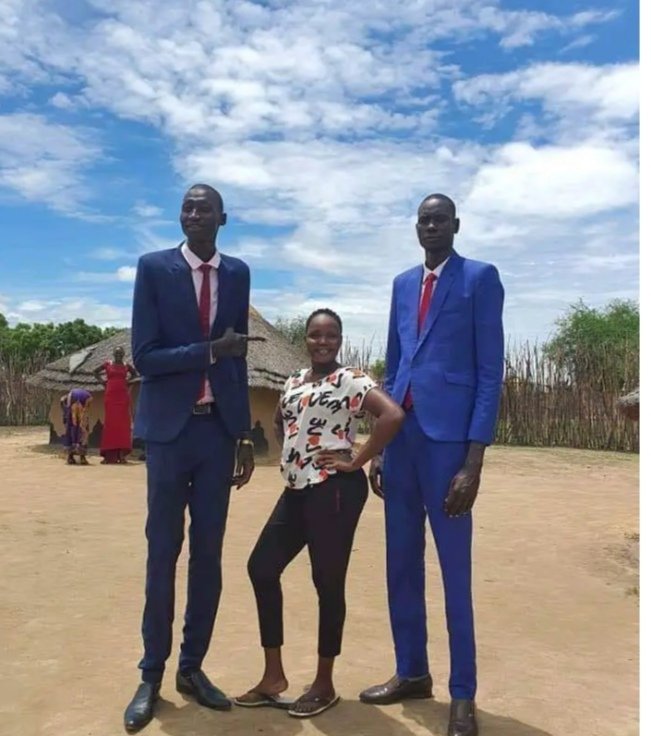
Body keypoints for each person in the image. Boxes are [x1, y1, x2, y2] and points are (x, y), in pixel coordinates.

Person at [359, 194, 504, 736]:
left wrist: (474, 460)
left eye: (440, 219)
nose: (431, 226)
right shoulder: (402, 284)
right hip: (403, 440)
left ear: (455, 225)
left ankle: (462, 694)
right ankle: (412, 672)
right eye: (424, 220)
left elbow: (490, 371)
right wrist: (380, 445)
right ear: (415, 228)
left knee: (454, 572)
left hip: (449, 446)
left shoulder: (479, 278)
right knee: (400, 564)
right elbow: (394, 366)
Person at [123, 184, 264, 733]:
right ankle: (151, 675)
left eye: (205, 208)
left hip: (216, 435)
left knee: (209, 556)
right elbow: (145, 357)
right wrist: (208, 351)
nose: (194, 214)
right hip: (169, 434)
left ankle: (191, 668)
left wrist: (243, 433)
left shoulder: (238, 274)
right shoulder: (153, 269)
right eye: (187, 206)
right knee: (162, 554)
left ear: (223, 218)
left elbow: (239, 360)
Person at [234, 309, 404, 719]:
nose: (322, 342)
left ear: (340, 340)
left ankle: (324, 683)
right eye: (315, 335)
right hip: (296, 489)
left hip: (335, 490)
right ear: (305, 339)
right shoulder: (293, 380)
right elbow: (281, 420)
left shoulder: (351, 379)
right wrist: (294, 454)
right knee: (261, 568)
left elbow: (393, 415)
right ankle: (273, 677)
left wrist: (357, 459)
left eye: (330, 335)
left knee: (327, 582)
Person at [94, 346, 137, 464]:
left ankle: (122, 455)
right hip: (110, 395)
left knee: (123, 424)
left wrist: (127, 382)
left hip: (122, 396)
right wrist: (103, 382)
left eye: (120, 353)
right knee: (110, 423)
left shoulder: (126, 365)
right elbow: (95, 372)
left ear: (123, 354)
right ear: (113, 354)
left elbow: (135, 374)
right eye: (117, 353)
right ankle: (109, 455)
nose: (119, 355)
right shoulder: (108, 364)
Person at [61, 388, 93, 465]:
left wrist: (67, 415)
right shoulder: (89, 396)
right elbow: (86, 409)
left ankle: (70, 457)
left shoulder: (69, 396)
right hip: (78, 406)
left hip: (72, 407)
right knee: (82, 430)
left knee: (72, 428)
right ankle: (82, 458)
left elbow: (62, 401)